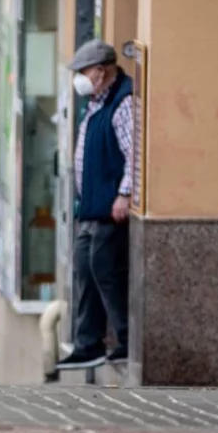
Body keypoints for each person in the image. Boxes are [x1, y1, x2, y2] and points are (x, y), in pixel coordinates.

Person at [57, 40, 132, 370]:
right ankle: (88, 343)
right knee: (86, 272)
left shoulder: (123, 103)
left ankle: (127, 339)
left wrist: (125, 193)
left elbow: (135, 154)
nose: (79, 79)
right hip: (90, 208)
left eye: (83, 72)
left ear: (101, 71)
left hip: (108, 209)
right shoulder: (96, 103)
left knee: (105, 271)